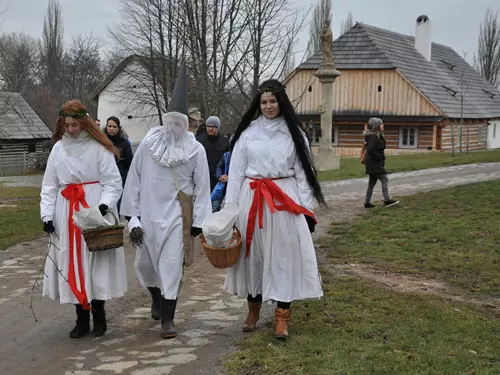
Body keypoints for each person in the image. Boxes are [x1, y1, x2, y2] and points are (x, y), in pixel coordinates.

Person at [223, 79, 325, 340]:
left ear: (282, 102)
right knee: (252, 257)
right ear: (259, 104)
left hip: (283, 201)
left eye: (273, 101)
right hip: (253, 198)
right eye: (264, 102)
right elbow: (235, 174)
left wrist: (306, 210)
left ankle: (282, 317)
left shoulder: (294, 134)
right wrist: (230, 210)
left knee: (282, 257)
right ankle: (253, 311)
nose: (269, 106)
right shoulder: (247, 134)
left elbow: (304, 174)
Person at [120, 65, 212, 339]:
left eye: (178, 122)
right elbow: (134, 180)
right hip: (148, 214)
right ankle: (156, 298)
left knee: (171, 265)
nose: (172, 127)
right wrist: (132, 216)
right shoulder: (149, 145)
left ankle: (168, 319)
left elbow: (202, 187)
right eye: (169, 121)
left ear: (185, 124)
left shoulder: (195, 150)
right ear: (164, 120)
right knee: (144, 266)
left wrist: (199, 222)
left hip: (175, 216)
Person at [40, 100, 127, 339]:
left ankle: (98, 313)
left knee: (93, 260)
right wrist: (47, 214)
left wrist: (104, 204)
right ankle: (80, 316)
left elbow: (112, 182)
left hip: (92, 207)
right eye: (67, 125)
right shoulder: (58, 149)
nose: (71, 130)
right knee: (72, 260)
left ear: (84, 123)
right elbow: (49, 185)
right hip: (66, 208)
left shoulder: (99, 147)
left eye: (75, 125)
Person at [363, 118, 399, 208]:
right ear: (376, 126)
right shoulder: (373, 138)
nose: (383, 125)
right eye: (381, 124)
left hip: (373, 164)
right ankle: (387, 200)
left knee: (371, 183)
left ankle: (367, 203)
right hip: (374, 164)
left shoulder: (377, 136)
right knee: (384, 179)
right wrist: (378, 158)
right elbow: (370, 149)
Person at [104, 116, 133, 212]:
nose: (111, 129)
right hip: (105, 177)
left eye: (114, 126)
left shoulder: (124, 143)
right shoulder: (102, 141)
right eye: (109, 126)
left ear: (118, 128)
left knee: (118, 205)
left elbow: (129, 162)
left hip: (120, 177)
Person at [196, 115, 230, 192]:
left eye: (213, 126)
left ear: (218, 127)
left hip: (218, 180)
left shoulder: (225, 142)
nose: (210, 128)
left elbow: (228, 162)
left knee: (215, 203)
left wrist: (226, 175)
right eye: (208, 126)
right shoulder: (198, 141)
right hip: (201, 180)